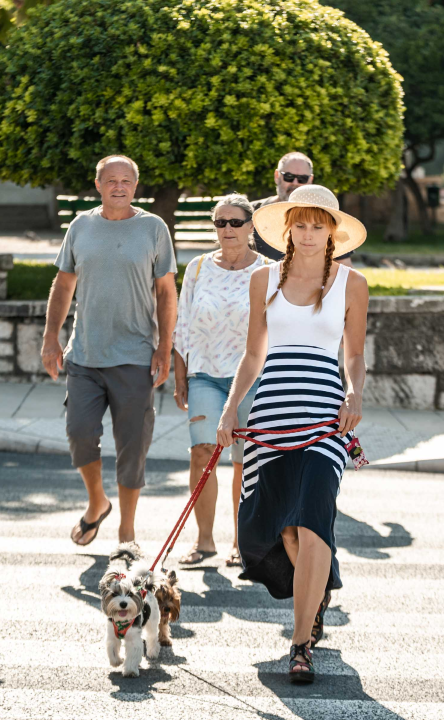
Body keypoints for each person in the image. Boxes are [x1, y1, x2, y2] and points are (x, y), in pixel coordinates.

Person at [217, 184, 368, 684]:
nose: (308, 234)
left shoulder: (352, 284)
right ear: (288, 230)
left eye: (317, 225)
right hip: (271, 415)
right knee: (283, 525)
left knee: (312, 518)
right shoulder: (263, 280)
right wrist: (230, 409)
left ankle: (300, 643)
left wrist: (354, 393)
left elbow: (353, 355)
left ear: (332, 232)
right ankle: (317, 591)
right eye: (300, 225)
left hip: (325, 415)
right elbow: (253, 354)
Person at [41, 156, 177, 547]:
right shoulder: (81, 226)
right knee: (79, 433)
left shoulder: (153, 228)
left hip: (135, 355)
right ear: (98, 184)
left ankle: (126, 531)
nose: (119, 186)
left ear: (136, 185)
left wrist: (164, 348)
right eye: (111, 180)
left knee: (132, 447)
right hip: (84, 354)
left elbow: (167, 292)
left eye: (126, 180)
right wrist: (52, 337)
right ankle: (97, 501)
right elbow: (63, 284)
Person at [172, 194, 270, 567]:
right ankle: (204, 540)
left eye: (235, 222)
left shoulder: (266, 270)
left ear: (250, 226)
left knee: (245, 461)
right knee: (202, 454)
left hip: (252, 379)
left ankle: (241, 543)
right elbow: (182, 324)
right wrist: (180, 376)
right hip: (204, 376)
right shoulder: (197, 268)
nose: (226, 229)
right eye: (219, 222)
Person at [251, 152, 354, 267]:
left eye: (302, 179)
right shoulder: (249, 213)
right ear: (277, 176)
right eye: (288, 176)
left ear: (310, 180)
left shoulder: (326, 215)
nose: (295, 183)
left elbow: (345, 270)